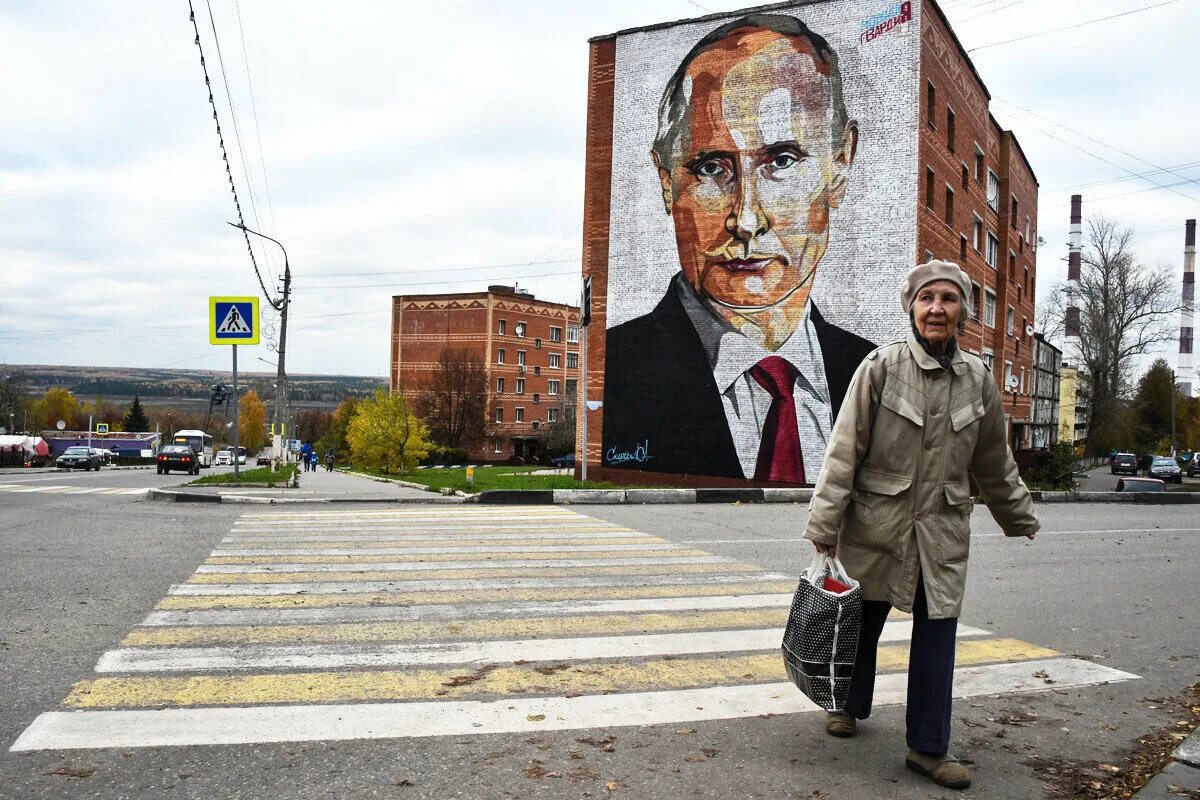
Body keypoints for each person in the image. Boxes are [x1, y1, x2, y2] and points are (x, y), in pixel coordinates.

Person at [602, 13, 875, 482]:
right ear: (667, 182)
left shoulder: (873, 376)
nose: (746, 220)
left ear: (840, 165)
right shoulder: (619, 371)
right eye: (711, 168)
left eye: (782, 160)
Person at [804, 260, 1039, 791]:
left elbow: (993, 460)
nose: (937, 308)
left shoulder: (977, 378)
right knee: (862, 624)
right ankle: (846, 703)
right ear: (911, 306)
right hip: (877, 525)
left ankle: (928, 748)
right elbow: (845, 450)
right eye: (927, 298)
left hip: (941, 530)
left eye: (949, 300)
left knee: (938, 637)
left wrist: (1018, 514)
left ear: (963, 313)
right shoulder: (880, 368)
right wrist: (825, 522)